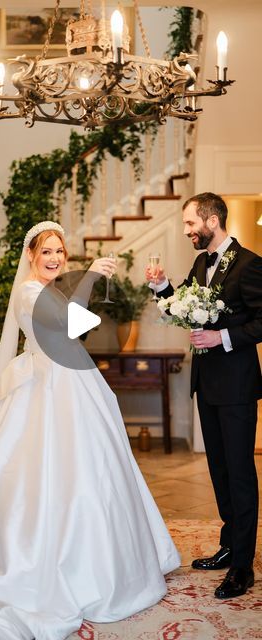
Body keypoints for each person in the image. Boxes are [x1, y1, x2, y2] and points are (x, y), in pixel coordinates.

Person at [0, 220, 180, 640]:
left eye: (60, 252)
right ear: (31, 255)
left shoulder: (48, 290)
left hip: (71, 380)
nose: (54, 258)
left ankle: (111, 557)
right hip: (48, 386)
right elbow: (74, 323)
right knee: (45, 474)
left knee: (95, 470)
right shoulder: (30, 292)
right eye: (47, 251)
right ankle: (40, 563)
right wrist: (91, 277)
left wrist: (86, 280)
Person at [146, 192, 262, 599]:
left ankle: (243, 569)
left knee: (240, 473)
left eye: (190, 223)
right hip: (207, 385)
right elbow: (184, 309)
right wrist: (163, 288)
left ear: (212, 221)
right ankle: (230, 546)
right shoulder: (200, 263)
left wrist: (223, 336)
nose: (186, 231)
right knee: (220, 471)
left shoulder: (249, 265)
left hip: (237, 386)